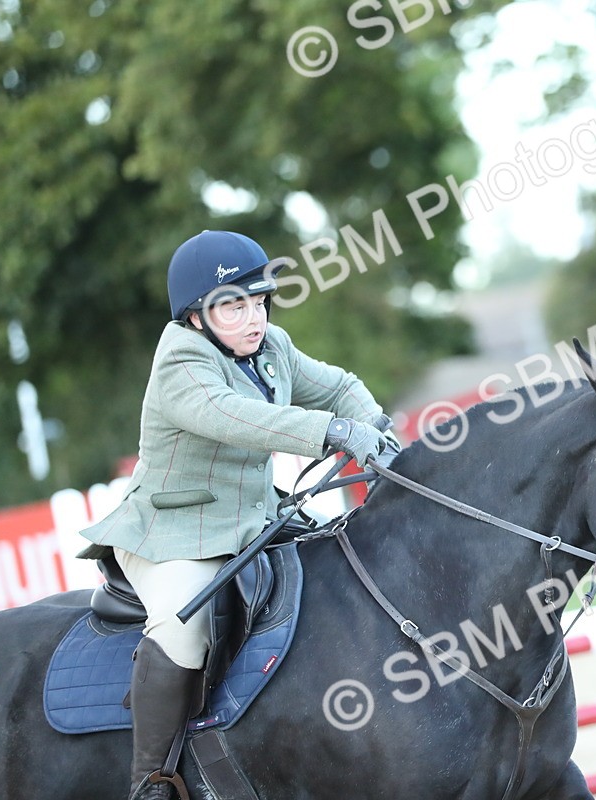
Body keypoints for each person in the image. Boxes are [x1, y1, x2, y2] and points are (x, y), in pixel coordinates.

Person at [78, 230, 390, 800]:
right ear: (197, 317)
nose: (253, 317)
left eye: (259, 300)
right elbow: (234, 416)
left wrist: (378, 428)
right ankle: (149, 779)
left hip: (253, 520)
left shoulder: (272, 347)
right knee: (183, 625)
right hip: (173, 532)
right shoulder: (179, 361)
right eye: (233, 304)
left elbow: (341, 387)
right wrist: (335, 432)